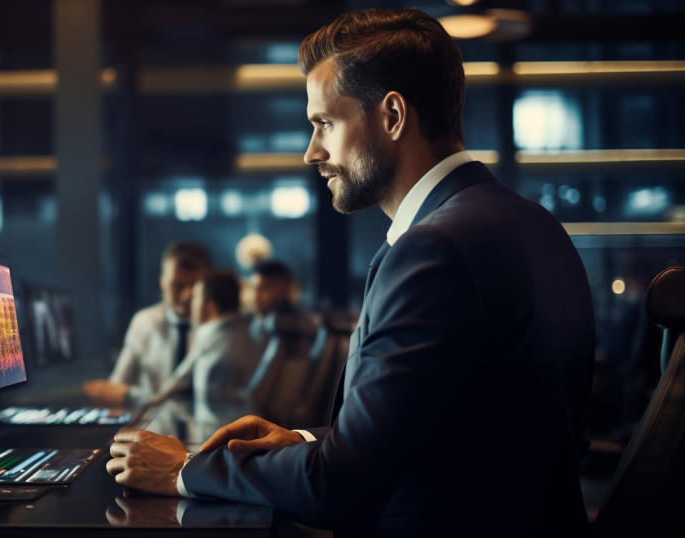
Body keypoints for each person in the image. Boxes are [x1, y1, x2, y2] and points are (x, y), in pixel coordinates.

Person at [105, 8, 595, 536]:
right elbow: (466, 429)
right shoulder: (534, 225)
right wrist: (306, 442)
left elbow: (341, 487)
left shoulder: (434, 250)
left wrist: (185, 469)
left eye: (324, 124)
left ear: (392, 116)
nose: (312, 151)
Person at [83, 241, 210, 407]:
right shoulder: (144, 322)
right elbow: (117, 388)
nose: (187, 295)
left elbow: (214, 398)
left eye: (194, 285)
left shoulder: (219, 329)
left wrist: (131, 396)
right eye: (177, 285)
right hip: (153, 428)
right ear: (162, 282)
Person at [151, 270, 262, 432]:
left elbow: (176, 383)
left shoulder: (211, 336)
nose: (191, 302)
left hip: (217, 436)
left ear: (211, 306)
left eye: (196, 297)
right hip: (248, 428)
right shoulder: (249, 333)